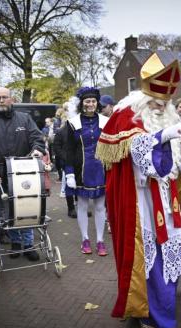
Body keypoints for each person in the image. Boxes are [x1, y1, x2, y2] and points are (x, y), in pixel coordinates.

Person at [95, 53, 181, 328]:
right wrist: (164, 136)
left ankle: (159, 309)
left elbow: (180, 165)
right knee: (151, 258)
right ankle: (156, 317)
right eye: (155, 102)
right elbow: (142, 160)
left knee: (168, 256)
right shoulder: (126, 115)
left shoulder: (169, 118)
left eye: (165, 103)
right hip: (141, 202)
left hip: (167, 197)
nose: (161, 107)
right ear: (143, 98)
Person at [0, 87, 45, 261]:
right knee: (9, 210)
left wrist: (37, 150)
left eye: (4, 97)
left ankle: (29, 245)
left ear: (11, 99)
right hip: (0, 173)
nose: (1, 100)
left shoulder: (25, 119)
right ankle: (16, 243)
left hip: (24, 171)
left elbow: (37, 138)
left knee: (27, 206)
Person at [64, 87, 109, 256]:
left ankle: (100, 240)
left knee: (99, 207)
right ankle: (85, 239)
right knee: (82, 205)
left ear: (97, 103)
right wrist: (69, 173)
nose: (90, 104)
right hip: (80, 170)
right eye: (87, 101)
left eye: (93, 101)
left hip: (101, 169)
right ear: (82, 104)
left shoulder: (105, 121)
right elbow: (68, 149)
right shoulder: (73, 122)